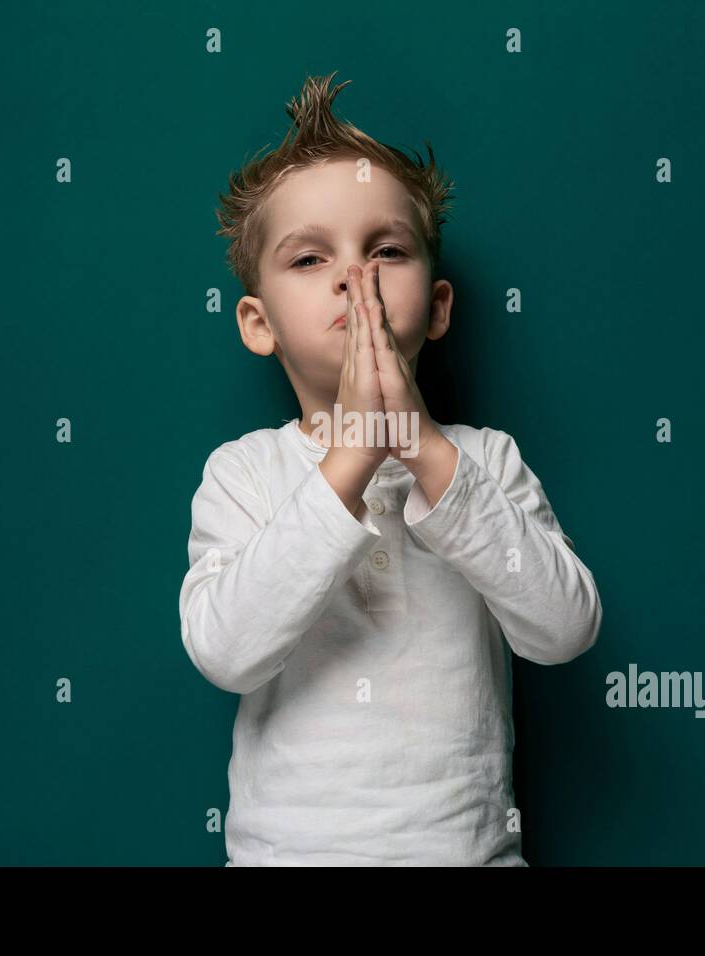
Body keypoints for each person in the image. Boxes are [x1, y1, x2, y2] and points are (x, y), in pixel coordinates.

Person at [179, 71, 602, 865]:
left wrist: (423, 450)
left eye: (387, 250)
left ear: (438, 307)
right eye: (309, 258)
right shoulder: (244, 474)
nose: (354, 276)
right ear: (258, 323)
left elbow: (566, 629)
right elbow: (226, 651)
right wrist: (351, 458)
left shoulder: (484, 460)